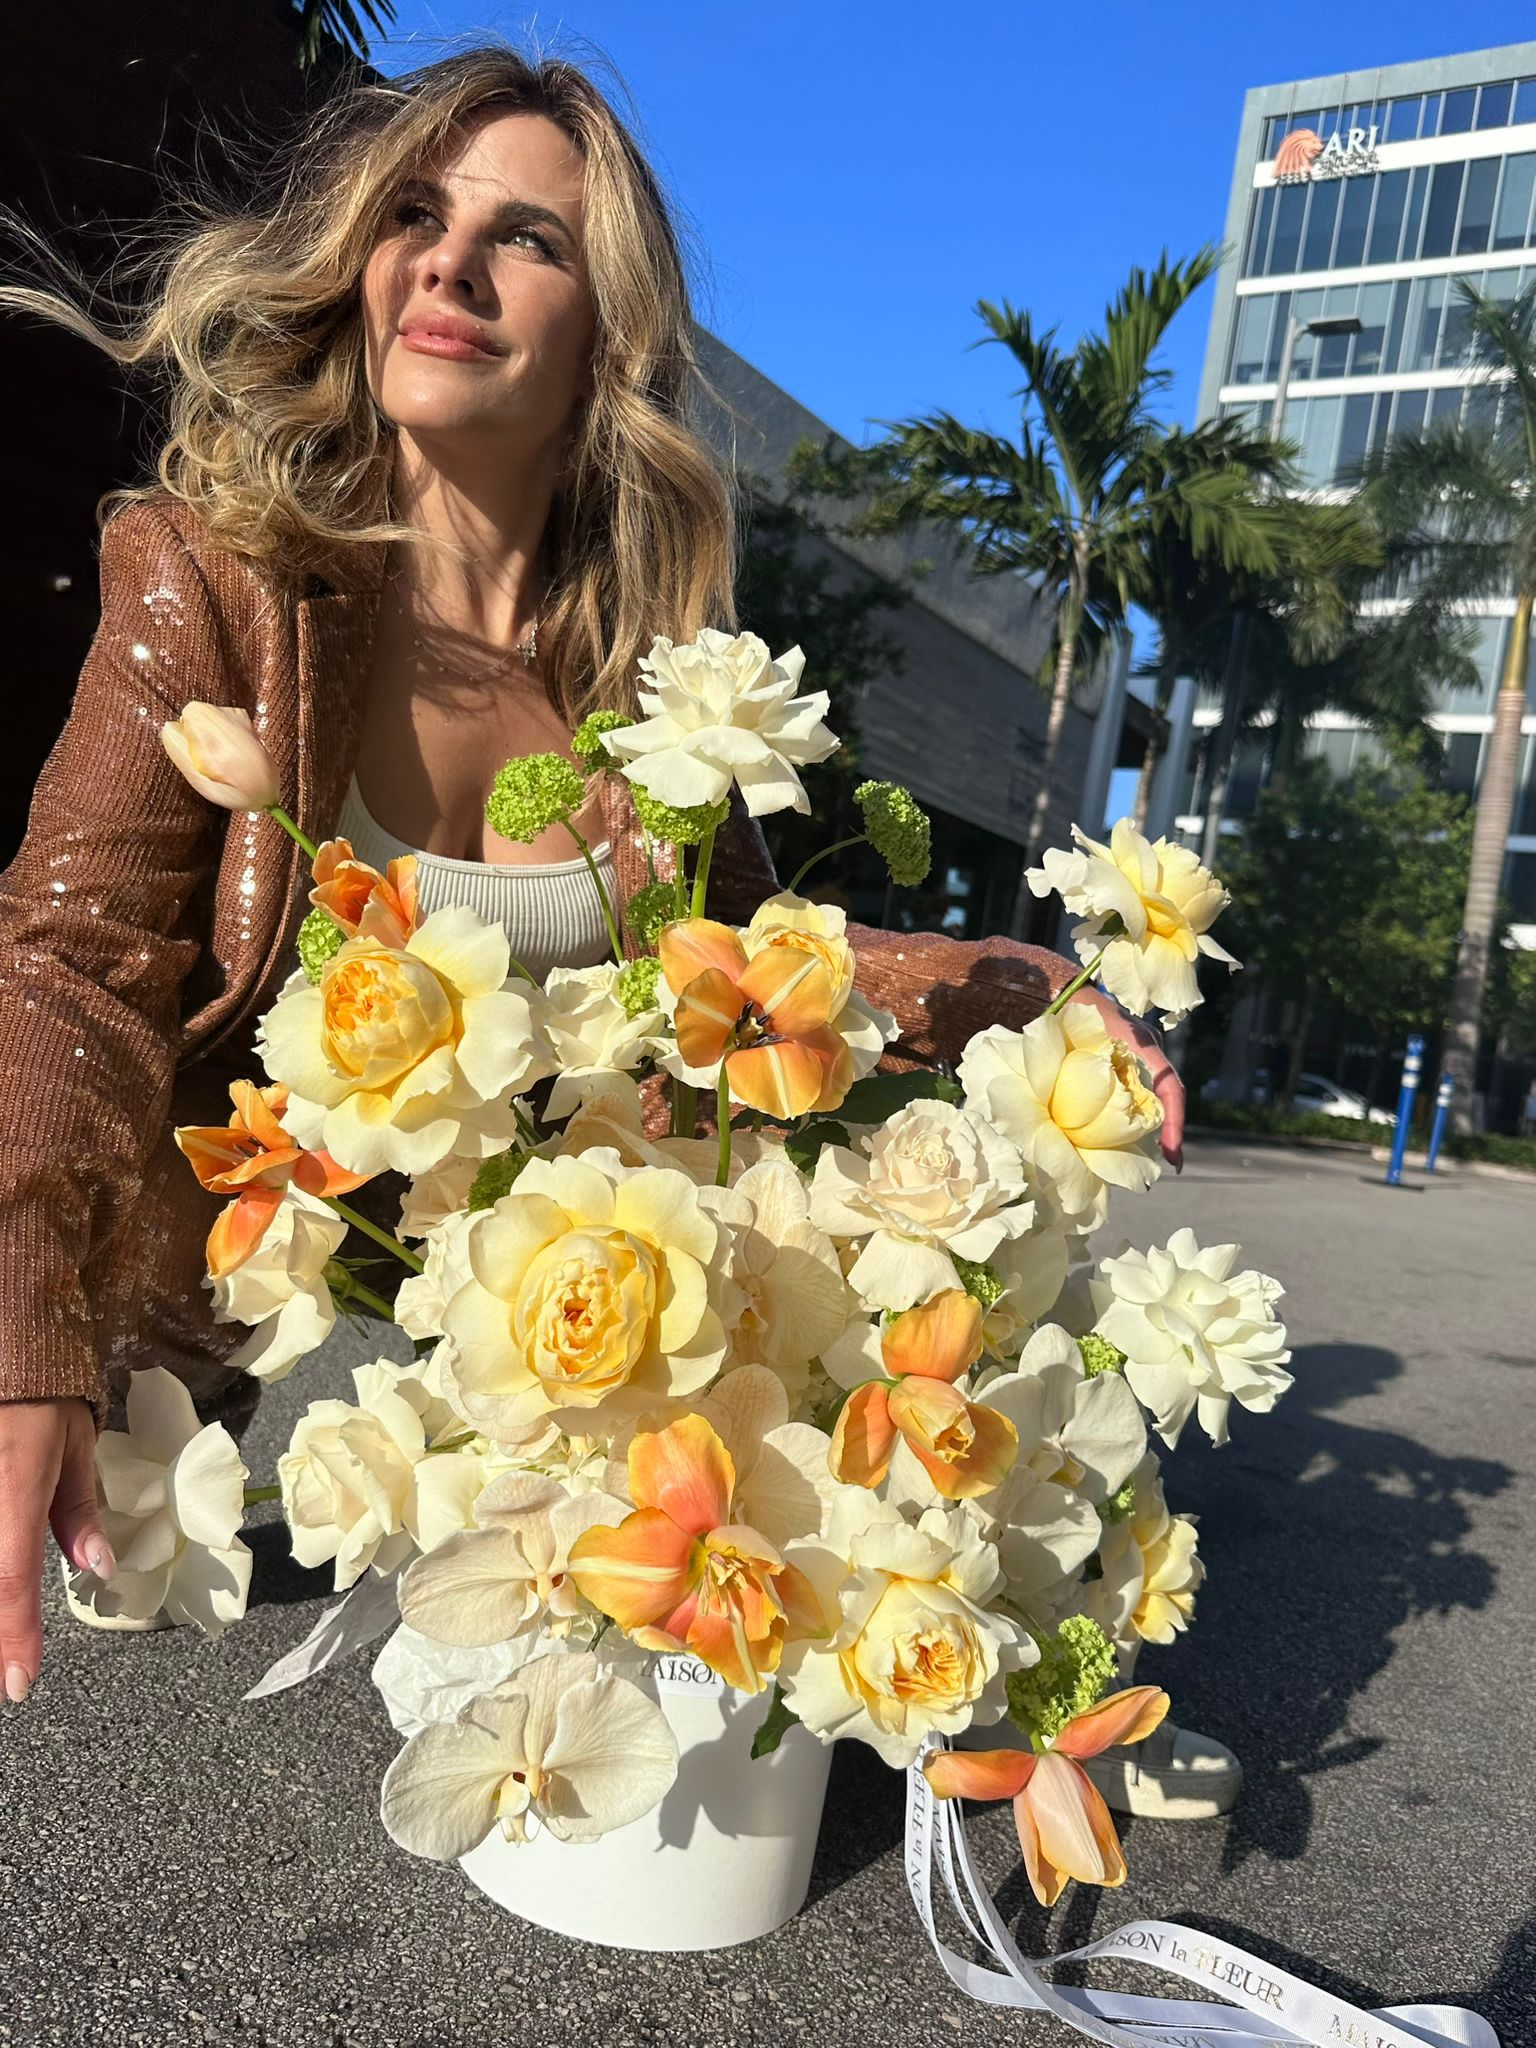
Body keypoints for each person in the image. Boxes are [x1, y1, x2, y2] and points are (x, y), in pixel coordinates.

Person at [0, 50, 1184, 1738]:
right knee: (119, 1594)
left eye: (525, 236)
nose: (450, 264)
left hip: (540, 1355)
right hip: (201, 1314)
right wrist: (28, 1330)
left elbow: (774, 972)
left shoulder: (646, 693)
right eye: (414, 212)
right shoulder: (217, 579)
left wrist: (1014, 984)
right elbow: (71, 966)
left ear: (601, 337)